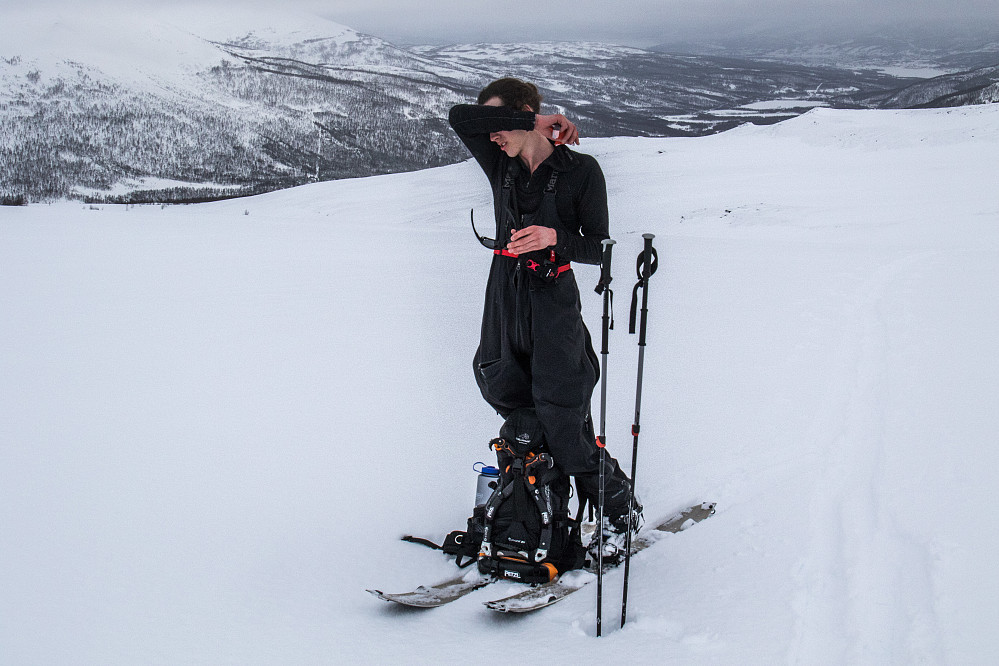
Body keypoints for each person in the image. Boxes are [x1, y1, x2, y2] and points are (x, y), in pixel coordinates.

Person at [448, 78, 641, 561]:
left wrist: (556, 236)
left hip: (554, 301)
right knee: (512, 403)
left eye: (501, 126)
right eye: (491, 129)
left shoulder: (580, 171)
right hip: (504, 299)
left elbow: (600, 248)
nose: (493, 138)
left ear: (523, 112)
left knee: (563, 417)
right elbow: (459, 119)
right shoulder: (502, 164)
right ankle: (534, 512)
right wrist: (530, 121)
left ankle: (620, 511)